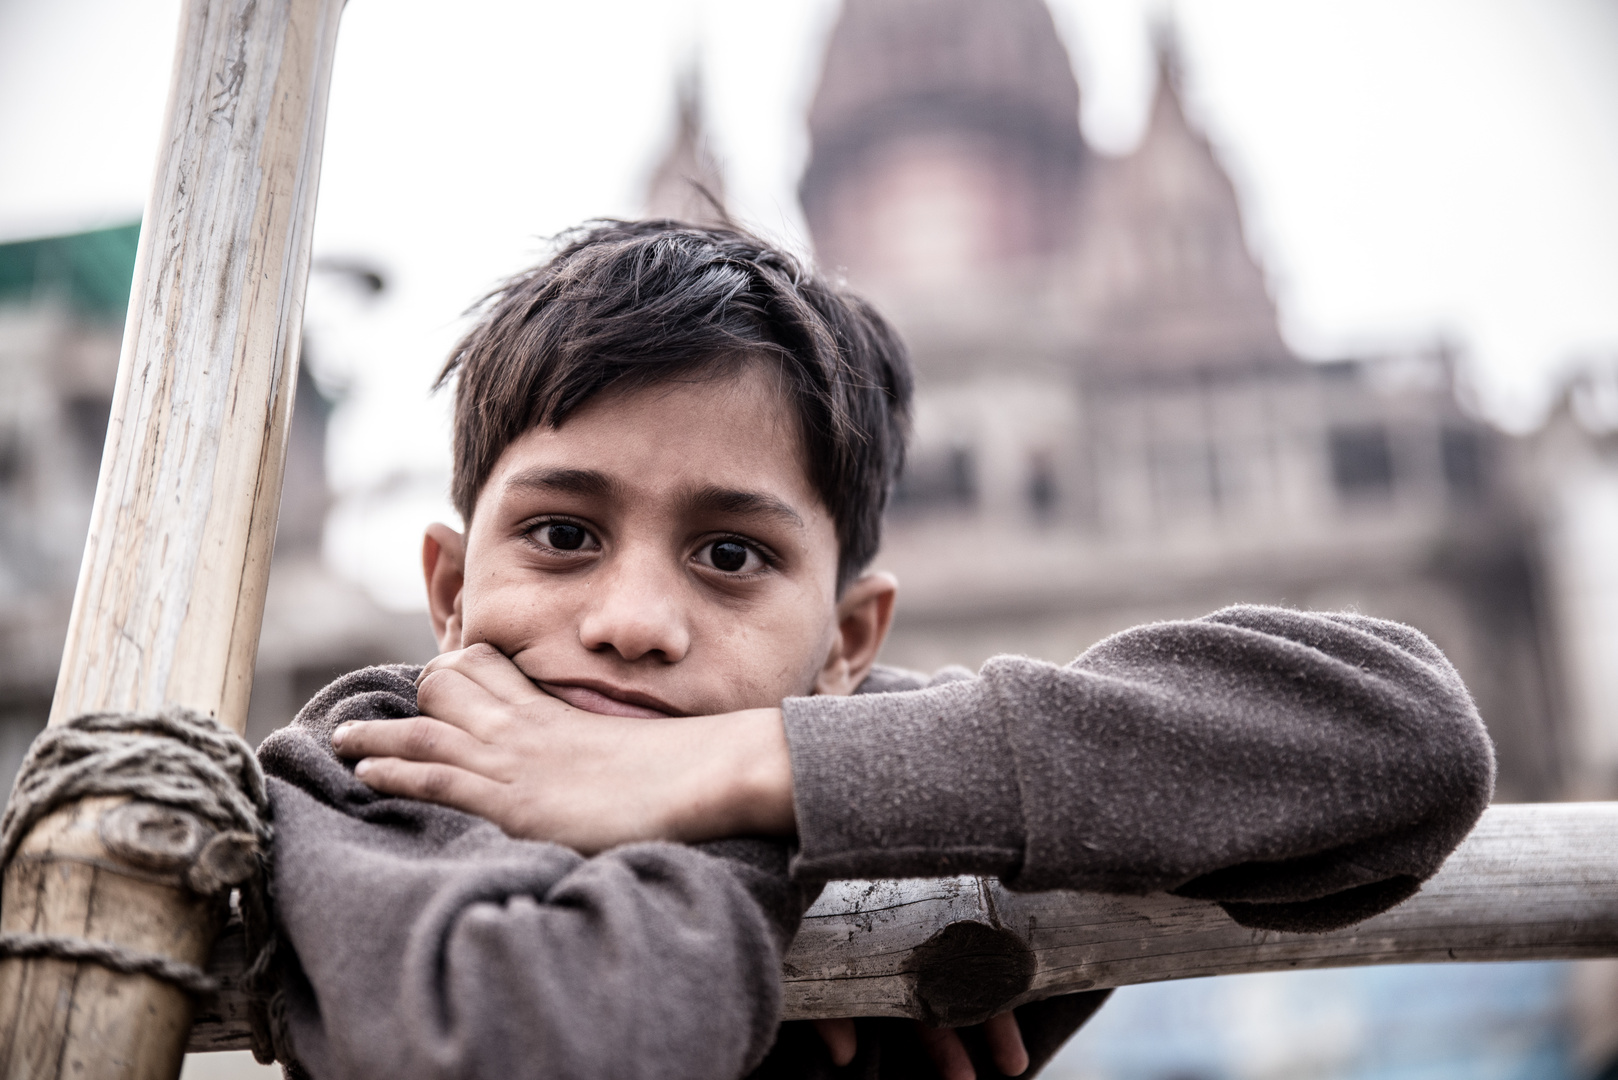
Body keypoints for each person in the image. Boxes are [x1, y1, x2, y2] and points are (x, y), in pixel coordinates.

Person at [256, 220, 1495, 1080]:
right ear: (449, 588)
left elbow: (1407, 745)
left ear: (847, 643)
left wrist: (765, 770)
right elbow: (550, 1048)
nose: (632, 619)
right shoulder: (376, 768)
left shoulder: (861, 771)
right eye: (563, 533)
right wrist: (762, 846)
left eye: (731, 555)